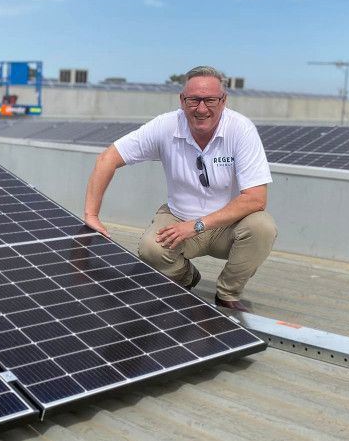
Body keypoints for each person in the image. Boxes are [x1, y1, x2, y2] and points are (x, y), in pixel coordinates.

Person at [83, 66, 277, 312]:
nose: (201, 108)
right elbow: (107, 159)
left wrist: (196, 225)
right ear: (182, 100)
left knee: (262, 227)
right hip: (178, 216)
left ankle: (227, 293)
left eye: (210, 100)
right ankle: (187, 279)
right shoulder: (166, 126)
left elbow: (255, 199)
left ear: (224, 100)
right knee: (151, 248)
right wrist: (91, 215)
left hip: (227, 225)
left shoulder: (241, 129)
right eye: (193, 100)